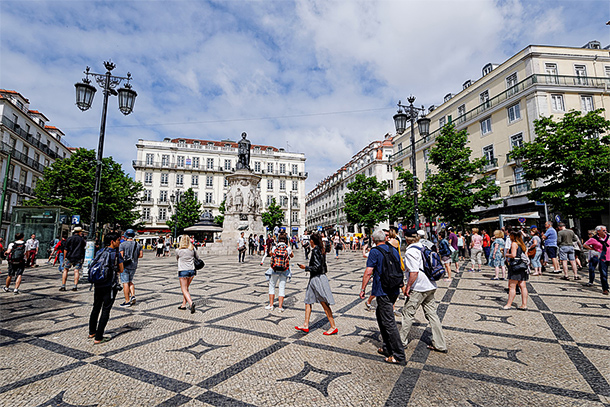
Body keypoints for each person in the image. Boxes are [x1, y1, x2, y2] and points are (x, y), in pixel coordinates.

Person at [359, 230, 405, 364]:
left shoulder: (375, 251)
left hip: (383, 289)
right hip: (394, 288)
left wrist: (363, 289)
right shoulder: (393, 249)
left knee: (389, 322)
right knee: (381, 316)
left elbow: (368, 272)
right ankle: (387, 347)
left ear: (373, 240)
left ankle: (398, 355)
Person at [400, 229, 447, 354]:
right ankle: (440, 344)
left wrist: (408, 286)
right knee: (432, 315)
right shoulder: (424, 246)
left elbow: (413, 272)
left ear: (406, 238)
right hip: (430, 285)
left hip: (419, 287)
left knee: (407, 313)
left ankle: (401, 342)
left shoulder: (410, 251)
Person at [295, 232, 337, 336]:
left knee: (323, 302)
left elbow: (318, 267)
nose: (309, 242)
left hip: (318, 278)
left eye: (310, 240)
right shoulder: (320, 249)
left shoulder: (316, 251)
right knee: (308, 301)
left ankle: (333, 327)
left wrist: (306, 268)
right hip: (314, 278)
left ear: (312, 241)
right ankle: (305, 325)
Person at [88, 232, 124, 344]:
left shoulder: (100, 251)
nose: (119, 242)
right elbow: (121, 270)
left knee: (96, 307)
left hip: (98, 283)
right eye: (118, 240)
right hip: (110, 285)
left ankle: (92, 332)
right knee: (106, 309)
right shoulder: (116, 254)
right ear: (113, 241)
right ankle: (99, 337)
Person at [264, 233, 293, 312]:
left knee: (272, 286)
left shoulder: (275, 247)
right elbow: (292, 255)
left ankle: (271, 305)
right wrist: (289, 246)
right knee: (282, 288)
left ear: (278, 239)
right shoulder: (287, 248)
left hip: (275, 270)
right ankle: (280, 307)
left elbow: (270, 254)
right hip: (284, 270)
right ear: (286, 240)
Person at [503, 231, 529, 310]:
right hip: (522, 266)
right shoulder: (522, 244)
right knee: (523, 286)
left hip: (515, 266)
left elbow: (513, 255)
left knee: (512, 286)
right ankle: (524, 304)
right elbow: (526, 256)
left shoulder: (514, 244)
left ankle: (509, 304)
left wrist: (506, 255)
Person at [118, 229, 143, 308]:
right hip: (134, 265)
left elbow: (121, 256)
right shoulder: (138, 244)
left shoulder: (122, 244)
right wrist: (134, 257)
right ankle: (133, 295)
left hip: (125, 266)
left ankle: (127, 301)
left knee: (125, 283)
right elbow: (141, 255)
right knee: (130, 281)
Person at [175, 234, 200, 313]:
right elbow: (197, 257)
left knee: (184, 289)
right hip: (192, 270)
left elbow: (177, 258)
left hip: (183, 270)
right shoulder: (192, 249)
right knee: (186, 289)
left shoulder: (178, 250)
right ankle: (183, 305)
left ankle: (191, 303)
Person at [583, 226, 609, 295]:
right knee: (603, 273)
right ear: (598, 231)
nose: (605, 232)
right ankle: (605, 288)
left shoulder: (609, 237)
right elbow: (585, 245)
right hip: (601, 257)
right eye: (603, 230)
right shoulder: (593, 239)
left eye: (606, 230)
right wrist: (593, 249)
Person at [61, 226, 86, 292]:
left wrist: (64, 257)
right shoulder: (82, 240)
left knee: (65, 270)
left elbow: (65, 249)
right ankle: (75, 286)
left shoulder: (69, 239)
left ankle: (63, 285)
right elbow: (83, 248)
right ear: (79, 232)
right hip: (78, 257)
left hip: (69, 257)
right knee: (76, 271)